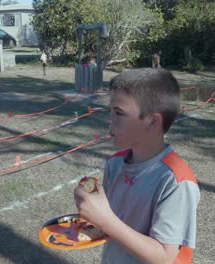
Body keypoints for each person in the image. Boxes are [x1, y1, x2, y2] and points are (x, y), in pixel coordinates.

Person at [74, 68, 200, 264]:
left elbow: (164, 257)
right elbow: (110, 222)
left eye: (119, 112)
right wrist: (91, 213)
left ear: (152, 121)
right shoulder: (114, 164)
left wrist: (104, 220)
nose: (110, 119)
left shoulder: (175, 181)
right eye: (110, 111)